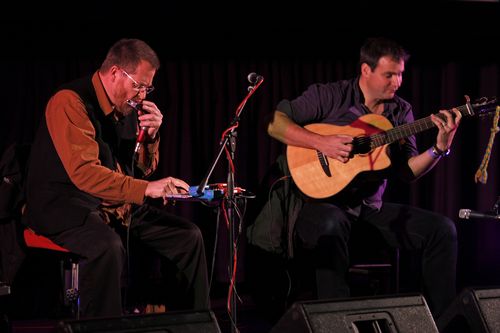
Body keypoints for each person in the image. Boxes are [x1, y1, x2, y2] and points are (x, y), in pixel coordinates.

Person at [247, 37, 460, 319]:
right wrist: (320, 143)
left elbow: (406, 172)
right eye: (389, 75)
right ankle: (337, 322)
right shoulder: (331, 96)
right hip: (316, 208)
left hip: (368, 211)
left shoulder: (401, 111)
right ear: (365, 71)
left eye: (400, 75)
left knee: (442, 229)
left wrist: (438, 149)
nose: (396, 82)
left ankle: (443, 323)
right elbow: (273, 123)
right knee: (332, 223)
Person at [23, 38, 210, 318]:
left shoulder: (125, 108)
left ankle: (191, 323)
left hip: (109, 205)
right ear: (115, 73)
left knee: (187, 236)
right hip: (62, 204)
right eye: (139, 86)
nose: (143, 95)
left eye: (148, 88)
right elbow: (85, 174)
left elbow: (138, 171)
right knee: (106, 247)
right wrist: (147, 189)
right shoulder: (70, 101)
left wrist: (150, 138)